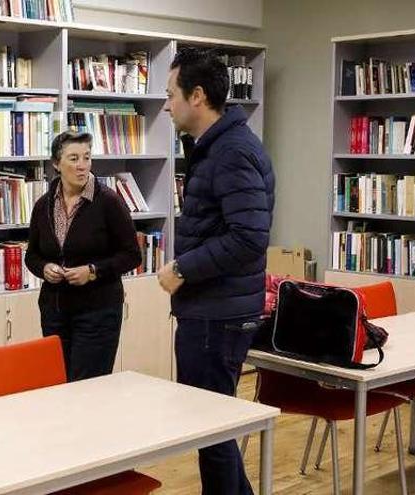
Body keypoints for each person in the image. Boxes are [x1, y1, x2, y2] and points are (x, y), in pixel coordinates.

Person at [155, 48, 275, 494]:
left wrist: (183, 268)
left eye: (171, 95)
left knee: (212, 431)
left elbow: (249, 237)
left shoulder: (231, 152)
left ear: (198, 96)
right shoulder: (218, 147)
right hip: (214, 308)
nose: (166, 105)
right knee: (214, 429)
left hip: (216, 314)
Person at [24, 131, 141, 381]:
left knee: (88, 390)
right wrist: (44, 268)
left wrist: (92, 271)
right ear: (57, 164)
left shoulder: (108, 201)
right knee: (57, 385)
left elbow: (132, 255)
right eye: (74, 158)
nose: (82, 166)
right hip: (55, 312)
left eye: (86, 158)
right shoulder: (43, 205)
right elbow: (32, 255)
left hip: (98, 313)